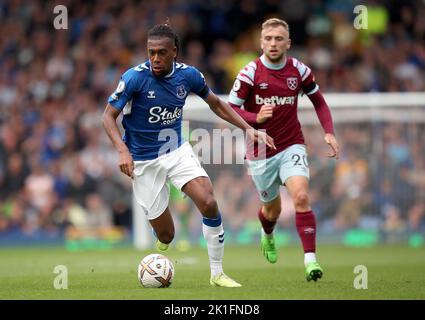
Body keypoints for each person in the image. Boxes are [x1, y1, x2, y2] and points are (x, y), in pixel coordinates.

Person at [102, 23, 275, 288]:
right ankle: (163, 236)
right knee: (167, 235)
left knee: (208, 201)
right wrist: (122, 150)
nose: (155, 59)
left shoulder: (190, 76)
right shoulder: (134, 78)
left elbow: (216, 104)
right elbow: (108, 116)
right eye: (151, 53)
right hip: (142, 160)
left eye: (161, 52)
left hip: (175, 149)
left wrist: (249, 129)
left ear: (175, 52)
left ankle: (217, 273)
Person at [228, 18, 340, 281]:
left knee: (301, 197)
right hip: (259, 151)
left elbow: (319, 102)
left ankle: (310, 261)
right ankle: (268, 235)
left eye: (279, 39)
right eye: (268, 39)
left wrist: (329, 132)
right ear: (261, 42)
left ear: (288, 43)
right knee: (272, 211)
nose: (273, 43)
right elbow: (230, 109)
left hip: (292, 144)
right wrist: (256, 119)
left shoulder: (299, 71)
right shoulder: (250, 73)